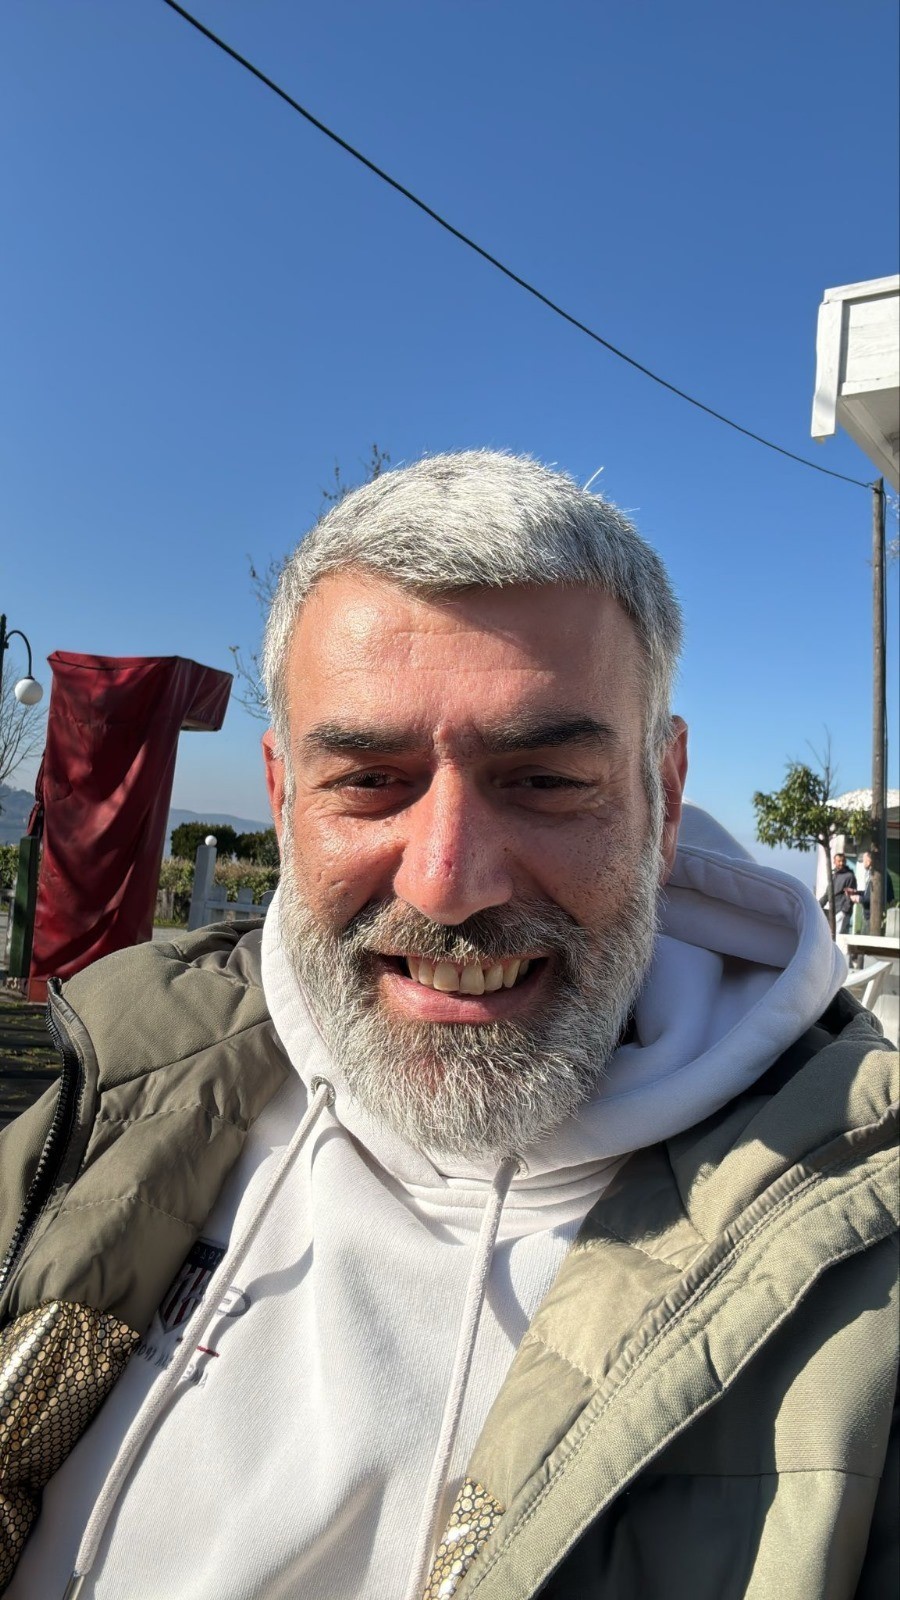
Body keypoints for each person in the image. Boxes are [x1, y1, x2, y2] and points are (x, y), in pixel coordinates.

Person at [0, 452, 897, 1600]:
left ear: (663, 796)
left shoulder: (859, 1263)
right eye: (370, 780)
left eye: (546, 779)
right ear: (282, 795)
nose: (447, 882)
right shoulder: (128, 1085)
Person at [850, 849, 896, 933]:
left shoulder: (877, 876)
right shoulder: (876, 874)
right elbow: (869, 893)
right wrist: (856, 892)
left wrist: (858, 898)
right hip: (870, 916)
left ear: (869, 861)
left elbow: (873, 898)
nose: (863, 862)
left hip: (873, 918)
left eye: (864, 860)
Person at [818, 849, 858, 934]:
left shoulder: (849, 876)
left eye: (843, 861)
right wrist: (817, 905)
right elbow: (827, 894)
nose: (841, 863)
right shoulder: (834, 876)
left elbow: (850, 895)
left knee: (838, 936)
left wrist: (845, 911)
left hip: (841, 912)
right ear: (834, 862)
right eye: (839, 861)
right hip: (833, 911)